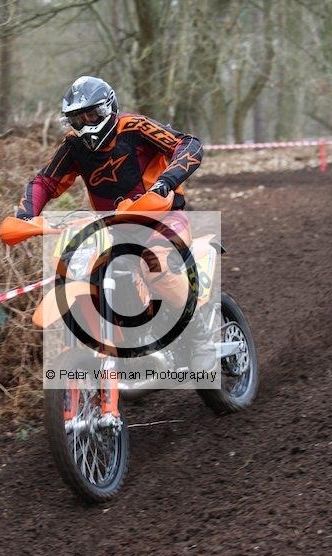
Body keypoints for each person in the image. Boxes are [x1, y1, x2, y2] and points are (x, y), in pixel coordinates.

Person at [16, 75, 214, 370]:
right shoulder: (73, 146)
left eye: (91, 114)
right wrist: (26, 215)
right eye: (78, 119)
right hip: (115, 229)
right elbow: (45, 181)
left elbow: (188, 145)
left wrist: (166, 182)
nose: (86, 124)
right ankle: (125, 341)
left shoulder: (134, 127)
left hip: (163, 218)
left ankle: (200, 336)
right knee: (91, 274)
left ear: (108, 107)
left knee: (156, 266)